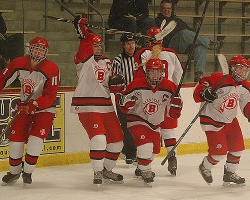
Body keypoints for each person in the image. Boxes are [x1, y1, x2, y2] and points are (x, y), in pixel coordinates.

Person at [0, 36, 60, 186]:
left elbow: (50, 94)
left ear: (46, 52)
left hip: (45, 109)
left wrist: (35, 104)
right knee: (15, 140)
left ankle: (27, 171)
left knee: (35, 140)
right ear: (30, 49)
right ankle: (14, 172)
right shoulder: (19, 63)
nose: (38, 52)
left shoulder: (52, 68)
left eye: (42, 50)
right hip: (23, 106)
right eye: (36, 48)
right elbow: (2, 78)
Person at [71, 16, 124, 187]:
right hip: (87, 106)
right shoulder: (84, 61)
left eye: (99, 44)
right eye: (94, 45)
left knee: (117, 140)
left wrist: (116, 83)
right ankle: (97, 170)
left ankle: (107, 169)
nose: (98, 47)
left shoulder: (108, 62)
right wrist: (82, 29)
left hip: (106, 107)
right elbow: (84, 42)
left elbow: (110, 83)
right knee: (99, 138)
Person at [193, 55, 250, 186]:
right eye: (240, 69)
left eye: (245, 70)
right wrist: (205, 92)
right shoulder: (218, 78)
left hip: (230, 119)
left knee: (238, 147)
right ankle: (205, 167)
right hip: (212, 119)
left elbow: (249, 101)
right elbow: (200, 87)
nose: (242, 73)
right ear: (232, 68)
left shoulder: (244, 85)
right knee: (219, 152)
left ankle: (230, 174)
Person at [119, 58, 183, 185]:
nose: (154, 75)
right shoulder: (136, 84)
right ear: (146, 72)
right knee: (145, 146)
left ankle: (140, 166)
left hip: (155, 123)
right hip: (137, 119)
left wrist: (176, 105)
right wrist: (127, 103)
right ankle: (145, 170)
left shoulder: (170, 86)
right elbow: (122, 103)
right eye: (151, 72)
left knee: (154, 150)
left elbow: (174, 114)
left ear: (162, 73)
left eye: (157, 72)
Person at [134, 27, 183, 176]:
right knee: (168, 130)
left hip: (149, 96)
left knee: (150, 131)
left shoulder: (143, 53)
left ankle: (143, 164)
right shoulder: (171, 53)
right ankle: (172, 157)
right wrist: (175, 92)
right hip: (168, 94)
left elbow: (139, 76)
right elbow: (178, 75)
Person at [155, 0, 222, 82]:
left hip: (184, 45)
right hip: (170, 45)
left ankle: (199, 75)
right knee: (184, 33)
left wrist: (195, 31)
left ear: (172, 9)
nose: (167, 10)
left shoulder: (177, 20)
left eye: (169, 8)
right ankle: (209, 43)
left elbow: (191, 33)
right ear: (160, 9)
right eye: (164, 8)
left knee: (200, 46)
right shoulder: (157, 21)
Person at [112, 34, 138, 165]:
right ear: (123, 45)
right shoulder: (117, 60)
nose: (131, 46)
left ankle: (130, 152)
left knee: (137, 124)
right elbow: (116, 79)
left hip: (138, 99)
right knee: (126, 126)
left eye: (133, 43)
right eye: (128, 43)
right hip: (123, 98)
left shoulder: (139, 59)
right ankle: (130, 153)